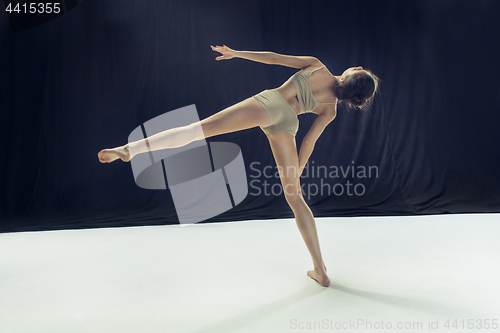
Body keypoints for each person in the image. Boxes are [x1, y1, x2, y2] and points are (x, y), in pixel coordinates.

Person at [98, 45, 380, 287]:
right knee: (295, 197)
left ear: (350, 75)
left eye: (358, 69)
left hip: (270, 103)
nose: (357, 65)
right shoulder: (330, 109)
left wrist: (237, 53)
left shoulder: (318, 66)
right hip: (286, 124)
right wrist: (297, 170)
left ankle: (130, 149)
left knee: (197, 130)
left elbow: (273, 57)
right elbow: (309, 141)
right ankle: (320, 269)